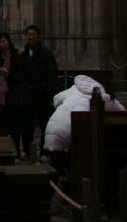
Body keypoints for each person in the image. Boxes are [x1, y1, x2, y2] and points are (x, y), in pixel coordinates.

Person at [44, 75, 125, 178]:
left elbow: (56, 99)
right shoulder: (102, 95)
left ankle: (61, 179)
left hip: (54, 126)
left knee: (58, 159)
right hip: (74, 128)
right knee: (77, 155)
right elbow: (121, 112)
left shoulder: (75, 88)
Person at [17, 24, 58, 157]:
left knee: (45, 124)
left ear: (38, 36)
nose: (31, 37)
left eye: (34, 34)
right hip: (27, 95)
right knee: (26, 124)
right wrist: (26, 88)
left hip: (42, 95)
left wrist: (42, 88)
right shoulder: (22, 54)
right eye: (29, 34)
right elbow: (19, 73)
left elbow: (52, 74)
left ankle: (44, 151)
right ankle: (27, 150)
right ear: (26, 36)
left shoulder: (47, 54)